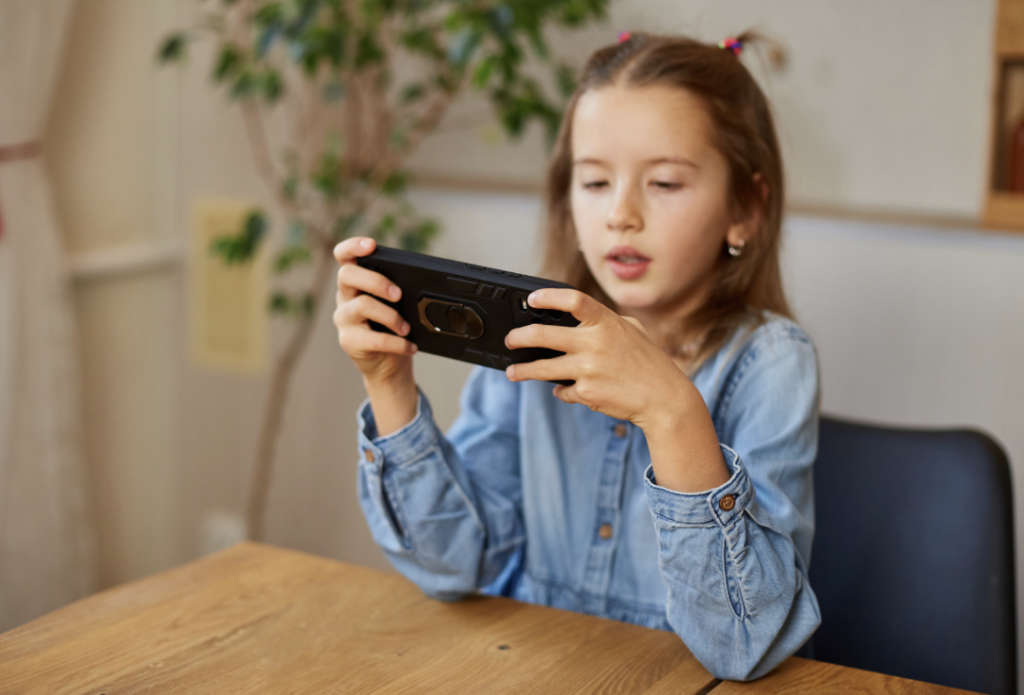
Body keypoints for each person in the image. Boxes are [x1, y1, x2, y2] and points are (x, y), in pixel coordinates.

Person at [332, 31, 820, 681]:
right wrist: (389, 384)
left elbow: (742, 642)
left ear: (746, 209)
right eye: (593, 181)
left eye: (666, 182)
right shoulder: (529, 343)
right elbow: (454, 565)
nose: (621, 213)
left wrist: (672, 408)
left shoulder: (771, 364)